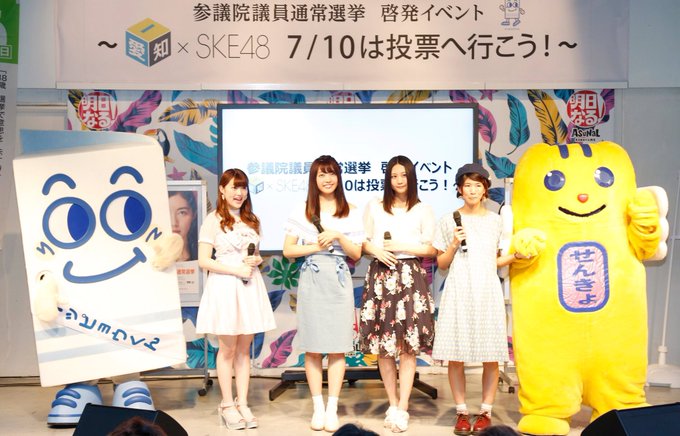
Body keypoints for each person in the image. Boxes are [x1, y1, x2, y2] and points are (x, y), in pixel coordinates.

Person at [431, 163, 521, 435]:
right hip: (458, 290)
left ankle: (485, 412)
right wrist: (453, 244)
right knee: (455, 355)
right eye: (467, 185)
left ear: (485, 190)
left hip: (487, 290)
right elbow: (442, 264)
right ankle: (461, 412)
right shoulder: (448, 220)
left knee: (490, 355)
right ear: (459, 189)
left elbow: (494, 261)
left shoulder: (496, 221)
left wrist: (515, 257)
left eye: (477, 185)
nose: (472, 190)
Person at [283, 155, 364, 432]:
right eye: (321, 174)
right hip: (312, 278)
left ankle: (332, 408)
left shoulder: (351, 211)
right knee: (314, 347)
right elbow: (288, 250)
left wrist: (338, 236)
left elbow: (356, 253)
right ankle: (317, 407)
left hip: (339, 281)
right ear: (314, 179)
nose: (327, 179)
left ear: (339, 177)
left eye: (332, 174)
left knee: (338, 347)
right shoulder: (302, 210)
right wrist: (316, 246)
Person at [358, 155, 437, 433]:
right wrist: (376, 251)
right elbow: (362, 241)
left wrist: (403, 246)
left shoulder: (423, 209)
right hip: (381, 275)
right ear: (388, 179)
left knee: (407, 345)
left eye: (403, 175)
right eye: (393, 176)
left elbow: (431, 249)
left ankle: (403, 407)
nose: (399, 180)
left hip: (410, 277)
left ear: (411, 177)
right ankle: (392, 403)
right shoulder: (375, 206)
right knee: (384, 345)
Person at [195, 168, 276, 429]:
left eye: (243, 187)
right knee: (227, 348)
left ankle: (243, 402)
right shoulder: (213, 220)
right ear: (222, 190)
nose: (239, 193)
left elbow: (254, 254)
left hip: (249, 286)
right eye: (234, 187)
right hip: (224, 286)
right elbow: (204, 260)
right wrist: (235, 270)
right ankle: (227, 404)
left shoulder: (252, 220)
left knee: (244, 349)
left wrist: (255, 260)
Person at [168, 190, 198, 261]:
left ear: (194, 215)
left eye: (182, 213)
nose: (174, 223)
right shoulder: (150, 254)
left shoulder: (203, 253)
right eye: (167, 212)